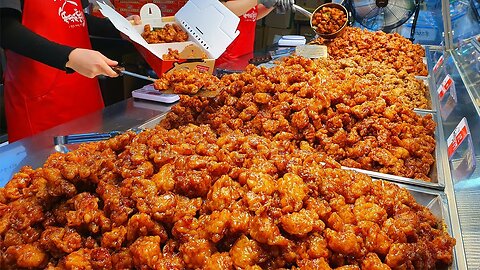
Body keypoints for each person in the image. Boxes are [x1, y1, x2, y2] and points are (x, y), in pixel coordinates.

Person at [0, 0, 141, 142]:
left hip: (84, 91)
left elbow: (74, 17)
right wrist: (69, 56)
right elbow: (5, 28)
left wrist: (119, 28)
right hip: (41, 101)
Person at [217, 0, 293, 67]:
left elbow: (251, 15)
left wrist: (273, 4)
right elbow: (222, 9)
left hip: (245, 56)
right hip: (224, 59)